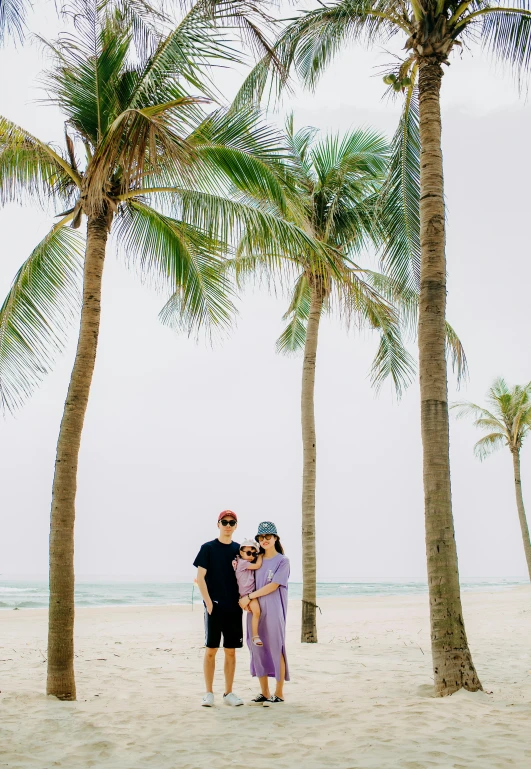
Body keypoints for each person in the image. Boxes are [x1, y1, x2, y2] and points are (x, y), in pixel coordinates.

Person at [193, 510, 243, 708]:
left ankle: (228, 693)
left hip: (234, 608)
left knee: (231, 652)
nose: (228, 525)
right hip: (214, 608)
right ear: (218, 524)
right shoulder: (208, 548)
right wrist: (209, 603)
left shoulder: (240, 550)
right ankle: (208, 693)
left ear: (236, 525)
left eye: (232, 522)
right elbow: (201, 578)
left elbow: (249, 575)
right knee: (211, 650)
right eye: (225, 522)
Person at [239, 521, 290, 705]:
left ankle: (279, 693)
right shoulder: (255, 559)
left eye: (268, 536)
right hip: (255, 610)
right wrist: (244, 599)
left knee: (276, 647)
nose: (265, 540)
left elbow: (274, 585)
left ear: (275, 538)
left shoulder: (282, 561)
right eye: (261, 537)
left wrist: (250, 596)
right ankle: (265, 692)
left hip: (274, 609)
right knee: (257, 649)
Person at [232, 539, 263, 646]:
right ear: (241, 552)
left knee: (255, 613)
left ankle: (255, 635)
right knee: (257, 613)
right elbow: (258, 565)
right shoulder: (242, 563)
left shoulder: (246, 562)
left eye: (254, 553)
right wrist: (261, 556)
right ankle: (255, 636)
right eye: (248, 553)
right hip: (246, 594)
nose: (251, 556)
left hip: (248, 593)